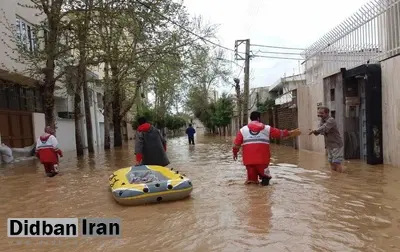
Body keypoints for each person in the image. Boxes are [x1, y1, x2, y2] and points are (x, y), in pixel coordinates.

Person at [232, 111, 301, 186]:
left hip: (249, 162)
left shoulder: (242, 130)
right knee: (266, 181)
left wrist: (235, 153)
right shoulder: (267, 128)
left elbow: (236, 145)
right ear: (259, 118)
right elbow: (280, 133)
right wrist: (291, 132)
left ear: (250, 119)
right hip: (263, 161)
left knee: (251, 183)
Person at [309, 106, 344, 172]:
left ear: (327, 113)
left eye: (321, 113)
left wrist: (315, 130)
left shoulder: (331, 120)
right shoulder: (322, 121)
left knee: (336, 162)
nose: (319, 115)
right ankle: (334, 177)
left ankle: (340, 177)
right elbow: (319, 132)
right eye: (318, 113)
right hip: (329, 145)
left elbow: (323, 128)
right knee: (331, 161)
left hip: (336, 144)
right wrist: (314, 132)